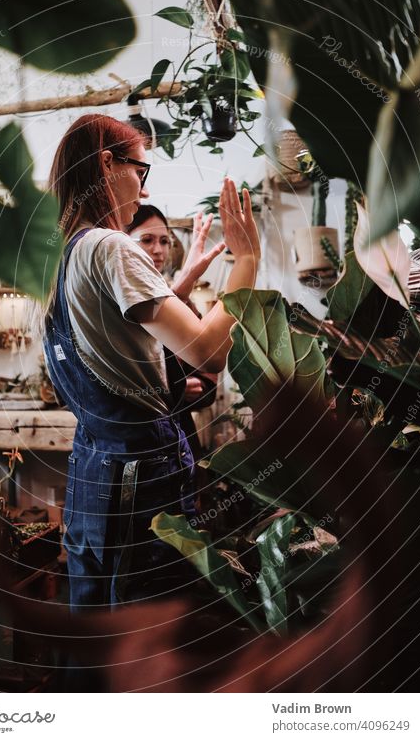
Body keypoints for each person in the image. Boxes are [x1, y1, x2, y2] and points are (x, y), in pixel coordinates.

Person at [43, 114, 260, 611]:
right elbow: (209, 352)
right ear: (106, 163)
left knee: (98, 627)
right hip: (138, 479)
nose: (141, 190)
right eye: (139, 171)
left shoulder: (62, 256)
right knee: (148, 637)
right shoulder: (110, 246)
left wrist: (182, 282)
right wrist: (246, 261)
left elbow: (121, 343)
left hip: (94, 471)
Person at [126, 204, 219, 461]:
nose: (158, 250)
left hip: (179, 442)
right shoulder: (113, 305)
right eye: (147, 240)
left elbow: (208, 387)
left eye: (165, 241)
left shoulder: (179, 305)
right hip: (130, 447)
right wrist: (175, 390)